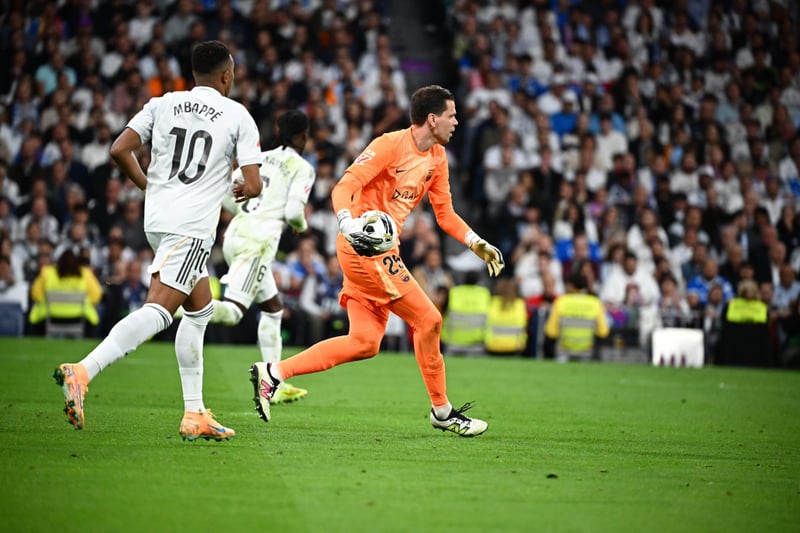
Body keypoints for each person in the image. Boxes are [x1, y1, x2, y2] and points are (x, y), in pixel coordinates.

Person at [250, 85, 504, 437]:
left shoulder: (437, 158)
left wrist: (475, 242)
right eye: (452, 115)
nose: (456, 122)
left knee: (365, 342)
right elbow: (343, 187)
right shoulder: (389, 145)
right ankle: (443, 411)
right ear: (433, 120)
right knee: (429, 319)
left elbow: (445, 214)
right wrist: (348, 223)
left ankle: (273, 373)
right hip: (363, 247)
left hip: (384, 251)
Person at [53, 41, 264, 441]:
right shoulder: (238, 115)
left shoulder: (163, 103)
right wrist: (245, 187)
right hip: (192, 227)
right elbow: (252, 184)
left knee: (199, 312)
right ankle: (82, 371)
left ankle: (194, 413)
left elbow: (119, 149)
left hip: (159, 219)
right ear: (226, 76)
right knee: (160, 311)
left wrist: (148, 187)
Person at [191, 109, 316, 404]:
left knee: (273, 308)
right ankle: (171, 308)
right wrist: (301, 227)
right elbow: (294, 212)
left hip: (236, 234)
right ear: (303, 136)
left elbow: (227, 195)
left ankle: (274, 383)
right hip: (257, 244)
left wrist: (249, 212)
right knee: (233, 312)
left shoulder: (259, 159)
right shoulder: (302, 167)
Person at [29, 249, 102, 336]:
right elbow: (96, 296)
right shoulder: (85, 273)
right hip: (79, 318)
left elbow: (35, 294)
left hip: (50, 318)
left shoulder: (47, 272)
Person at [543, 272, 610, 362]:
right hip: (587, 354)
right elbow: (603, 332)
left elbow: (551, 332)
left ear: (571, 285)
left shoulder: (561, 302)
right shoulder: (595, 303)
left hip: (563, 354)